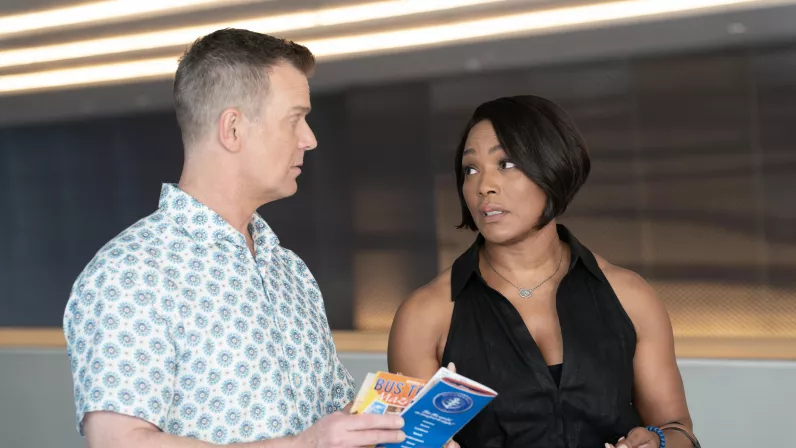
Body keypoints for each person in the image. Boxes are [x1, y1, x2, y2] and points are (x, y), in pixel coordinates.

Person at [62, 28, 407, 448]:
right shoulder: (131, 273)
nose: (310, 139)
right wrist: (301, 446)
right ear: (233, 129)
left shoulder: (289, 270)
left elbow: (328, 423)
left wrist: (401, 429)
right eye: (294, 119)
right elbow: (119, 442)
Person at [388, 95, 701, 448]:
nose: (484, 186)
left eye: (506, 164)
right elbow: (412, 441)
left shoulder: (630, 295)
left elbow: (678, 428)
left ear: (552, 169)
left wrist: (657, 442)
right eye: (470, 170)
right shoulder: (425, 315)